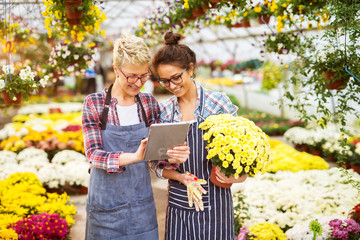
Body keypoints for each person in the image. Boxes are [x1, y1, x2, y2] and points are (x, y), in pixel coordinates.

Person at [82, 33, 190, 240]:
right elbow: (94, 155)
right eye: (132, 76)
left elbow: (159, 154)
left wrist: (173, 156)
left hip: (141, 206)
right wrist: (135, 156)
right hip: (105, 209)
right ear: (116, 70)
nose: (138, 82)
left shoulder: (149, 104)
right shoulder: (94, 103)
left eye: (144, 75)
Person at [151, 32, 248, 240]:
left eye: (176, 77)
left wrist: (237, 176)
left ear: (191, 69)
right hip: (179, 201)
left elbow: (242, 154)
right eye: (165, 81)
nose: (172, 86)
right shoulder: (165, 112)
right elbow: (155, 164)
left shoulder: (218, 104)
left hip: (216, 200)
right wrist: (176, 171)